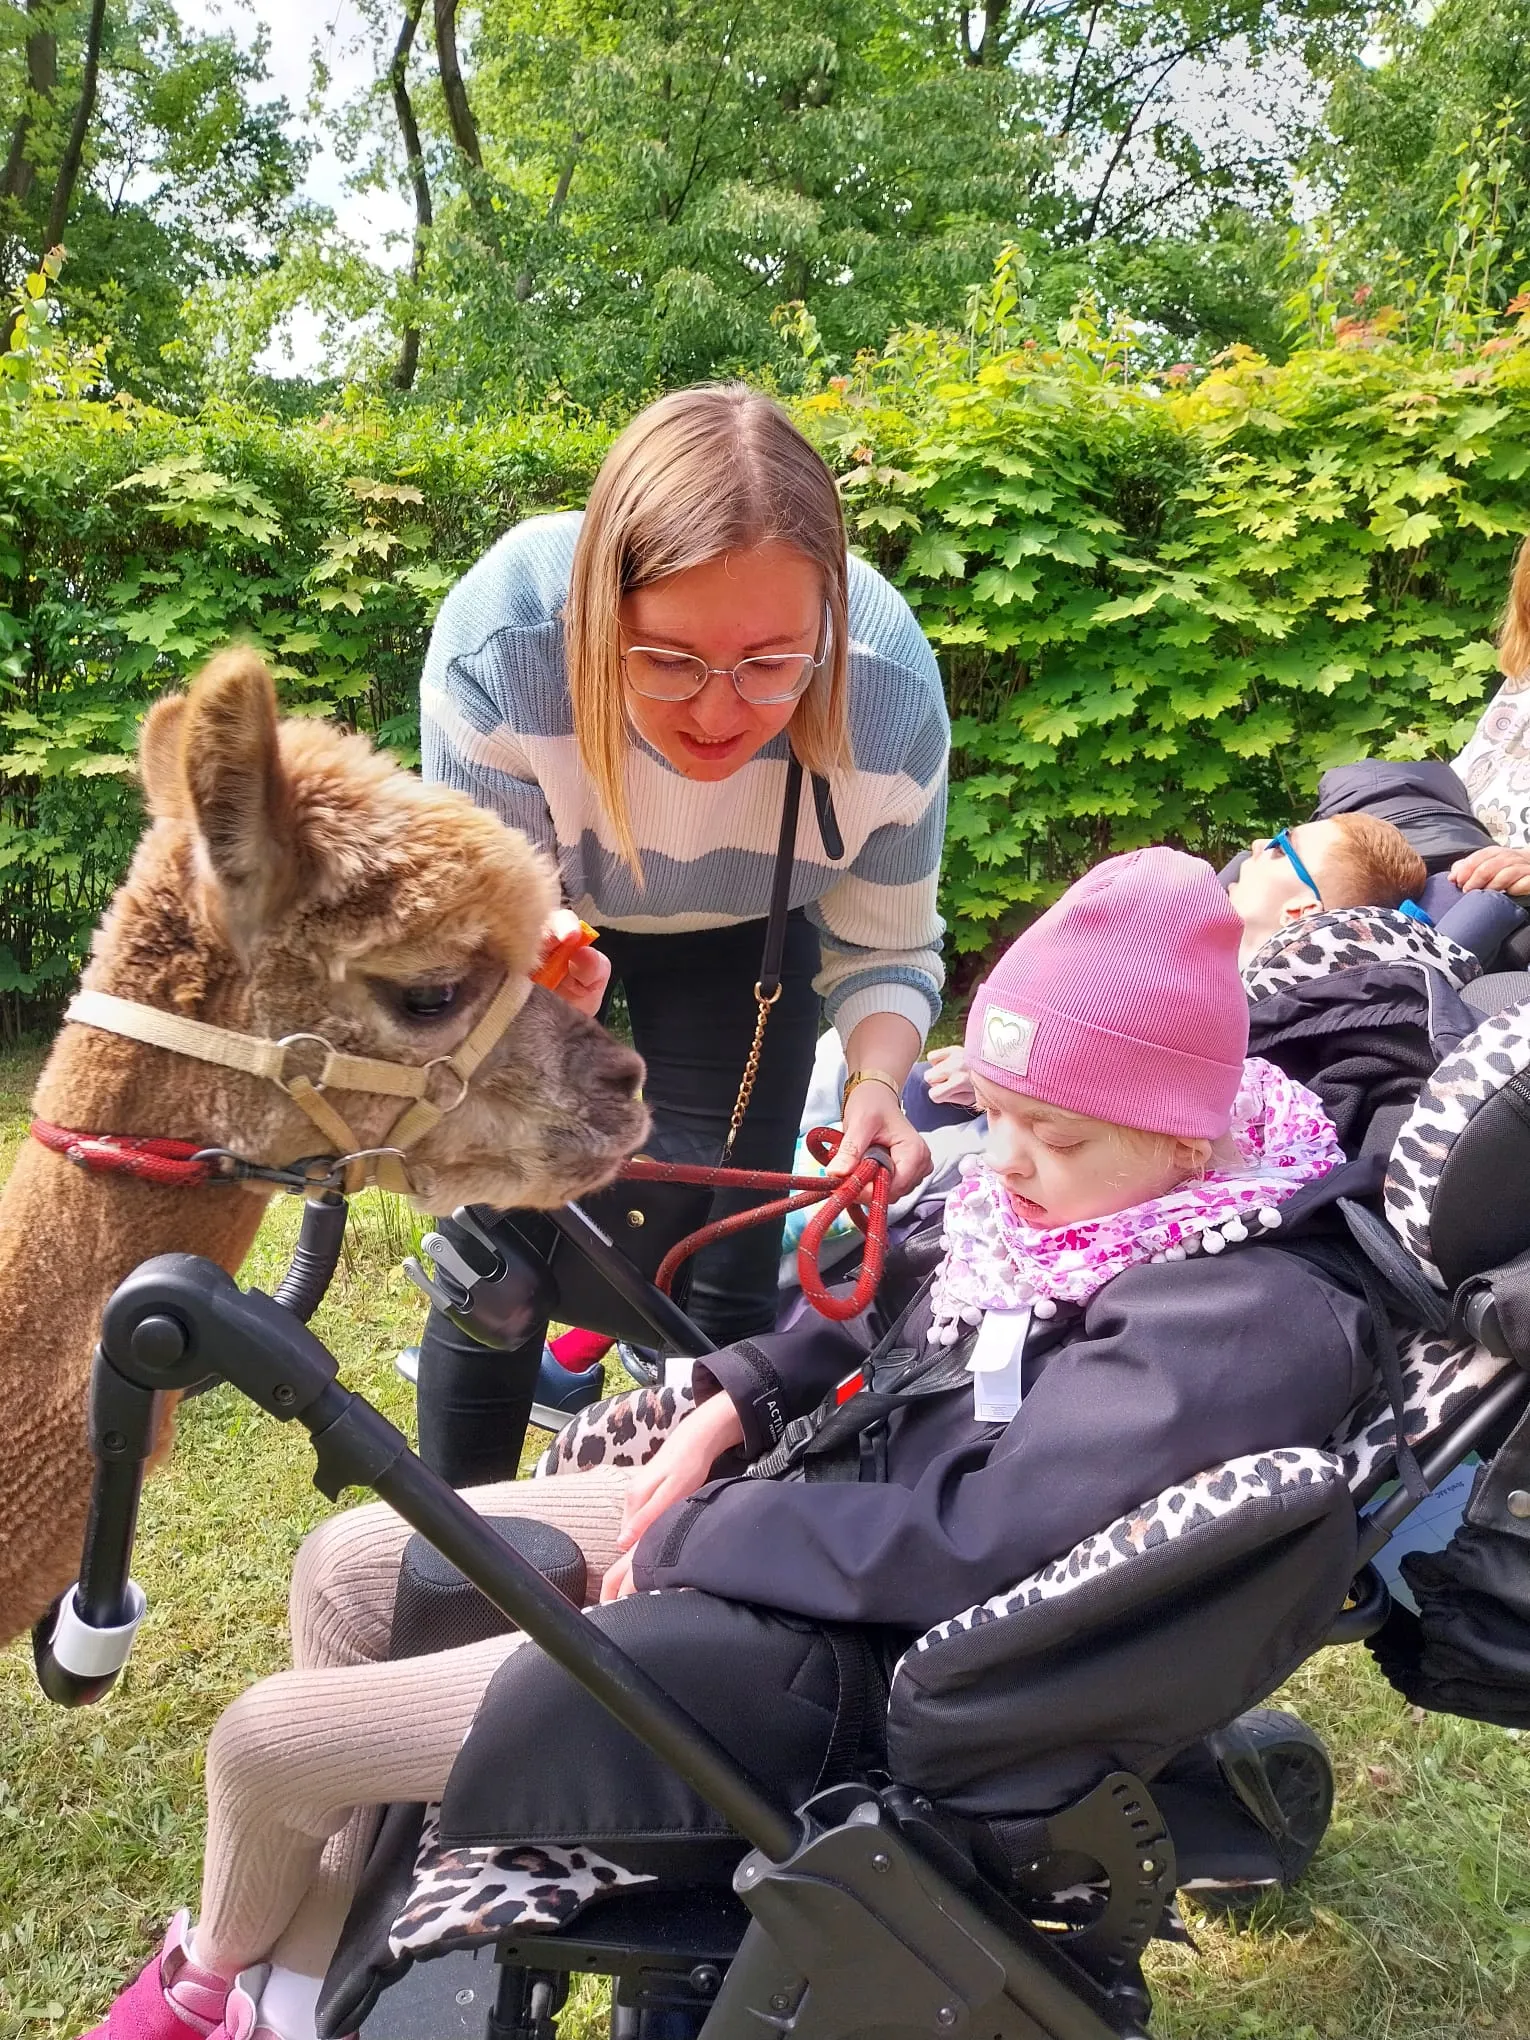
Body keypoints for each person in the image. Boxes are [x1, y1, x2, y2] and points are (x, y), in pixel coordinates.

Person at [80, 848, 1378, 2040]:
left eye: (1055, 1136)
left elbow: (987, 1542)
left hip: (854, 1667)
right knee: (353, 1567)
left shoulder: (1232, 1323)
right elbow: (902, 1291)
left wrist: (710, 1531)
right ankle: (307, 1973)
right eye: (1003, 1114)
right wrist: (729, 1401)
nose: (1010, 1163)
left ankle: (215, 1996)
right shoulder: (1101, 1197)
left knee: (265, 1746)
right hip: (807, 1511)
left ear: (1186, 1134)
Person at [412, 384, 950, 1487]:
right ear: (598, 617)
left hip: (749, 942)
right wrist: (529, 983)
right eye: (665, 661)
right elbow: (475, 929)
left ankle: (702, 1519)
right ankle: (461, 1555)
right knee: (500, 1255)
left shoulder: (887, 690)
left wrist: (876, 1091)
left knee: (733, 1237)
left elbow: (886, 946)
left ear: (830, 624)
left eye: (769, 663)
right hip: (553, 926)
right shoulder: (507, 635)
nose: (717, 712)